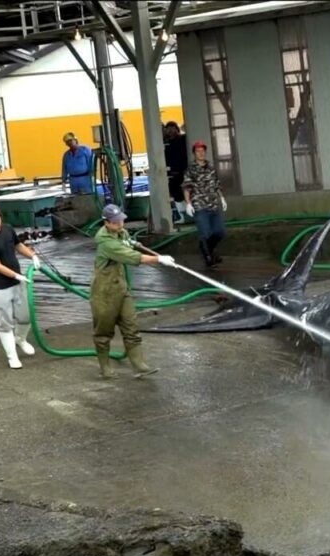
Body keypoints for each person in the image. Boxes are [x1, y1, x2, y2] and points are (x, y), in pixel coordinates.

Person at [91, 204, 175, 379]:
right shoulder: (106, 242)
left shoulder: (121, 232)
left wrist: (135, 243)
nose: (120, 224)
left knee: (131, 326)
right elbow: (132, 257)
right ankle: (105, 367)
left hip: (121, 288)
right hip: (104, 292)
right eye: (115, 222)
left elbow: (129, 243)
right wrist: (158, 259)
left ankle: (139, 364)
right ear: (106, 222)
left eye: (121, 220)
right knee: (103, 331)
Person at [0, 203, 41, 369]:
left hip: (18, 281)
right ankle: (12, 357)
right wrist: (17, 275)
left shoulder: (8, 229)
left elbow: (18, 246)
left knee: (26, 315)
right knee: (5, 322)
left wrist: (32, 256)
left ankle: (21, 339)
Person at [182, 140, 228, 268]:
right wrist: (188, 203)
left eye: (202, 151)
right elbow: (187, 187)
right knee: (205, 233)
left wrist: (222, 198)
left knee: (220, 232)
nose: (201, 153)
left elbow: (217, 185)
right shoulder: (191, 169)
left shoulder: (211, 168)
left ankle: (209, 252)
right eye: (198, 151)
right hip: (200, 205)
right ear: (194, 153)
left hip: (213, 205)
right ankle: (208, 258)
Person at [163, 121, 189, 223]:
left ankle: (187, 214)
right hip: (172, 172)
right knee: (176, 192)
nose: (170, 131)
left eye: (172, 128)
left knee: (186, 191)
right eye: (168, 129)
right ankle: (182, 215)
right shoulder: (166, 143)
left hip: (183, 170)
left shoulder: (183, 139)